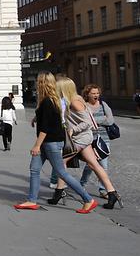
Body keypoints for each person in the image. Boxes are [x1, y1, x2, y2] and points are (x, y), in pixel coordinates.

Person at [15, 72, 97, 213]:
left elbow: (46, 127)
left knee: (61, 172)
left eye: (37, 81)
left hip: (50, 142)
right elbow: (51, 119)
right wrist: (36, 118)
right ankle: (31, 200)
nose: (36, 83)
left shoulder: (48, 101)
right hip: (50, 141)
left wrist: (37, 145)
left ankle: (88, 199)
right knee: (34, 169)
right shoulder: (53, 99)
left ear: (42, 83)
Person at [48, 78, 122, 210]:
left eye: (58, 88)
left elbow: (88, 122)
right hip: (82, 138)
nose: (56, 90)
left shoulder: (75, 102)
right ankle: (112, 193)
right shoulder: (71, 99)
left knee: (61, 163)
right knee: (94, 165)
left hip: (80, 138)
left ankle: (59, 192)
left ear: (63, 89)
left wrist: (72, 130)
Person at [79, 84, 116, 198]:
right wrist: (101, 120)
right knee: (90, 165)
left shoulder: (104, 105)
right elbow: (84, 121)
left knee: (103, 165)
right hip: (89, 139)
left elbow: (110, 121)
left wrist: (94, 121)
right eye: (93, 93)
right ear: (87, 94)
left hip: (104, 139)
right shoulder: (84, 106)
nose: (96, 95)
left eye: (97, 93)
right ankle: (81, 184)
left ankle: (103, 189)